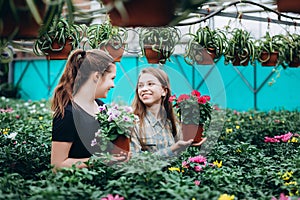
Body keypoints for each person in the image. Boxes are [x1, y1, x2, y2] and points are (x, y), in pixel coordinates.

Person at [50, 49, 117, 171]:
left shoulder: (101, 107)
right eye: (112, 78)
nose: (113, 85)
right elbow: (57, 166)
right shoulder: (67, 114)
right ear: (97, 76)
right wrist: (102, 160)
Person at [130, 67, 206, 157]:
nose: (144, 89)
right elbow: (135, 163)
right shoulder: (134, 124)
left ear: (164, 91)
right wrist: (173, 149)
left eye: (150, 84)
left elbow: (181, 155)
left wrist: (192, 143)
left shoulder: (171, 123)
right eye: (140, 85)